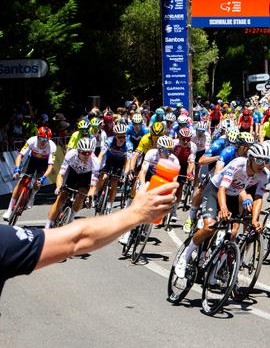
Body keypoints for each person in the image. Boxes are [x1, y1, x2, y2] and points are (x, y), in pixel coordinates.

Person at [0, 181, 177, 297]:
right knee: (62, 195)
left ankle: (74, 213)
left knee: (90, 190)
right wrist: (135, 213)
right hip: (74, 174)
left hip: (86, 177)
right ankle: (48, 223)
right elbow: (77, 238)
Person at [174, 143, 270, 279]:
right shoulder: (238, 164)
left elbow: (259, 198)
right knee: (209, 226)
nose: (263, 164)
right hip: (215, 190)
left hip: (233, 195)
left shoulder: (263, 175)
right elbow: (222, 189)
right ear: (250, 158)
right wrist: (223, 208)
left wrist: (255, 220)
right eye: (260, 160)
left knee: (231, 233)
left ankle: (213, 266)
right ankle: (185, 256)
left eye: (267, 161)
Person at [3, 127, 57, 221]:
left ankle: (32, 196)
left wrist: (43, 178)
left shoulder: (52, 146)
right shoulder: (32, 140)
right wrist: (16, 169)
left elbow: (50, 166)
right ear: (38, 136)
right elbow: (20, 155)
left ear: (49, 139)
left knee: (37, 182)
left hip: (43, 164)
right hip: (32, 161)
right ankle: (9, 210)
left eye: (46, 139)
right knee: (21, 182)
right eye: (41, 138)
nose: (43, 141)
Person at [45, 138, 100, 229]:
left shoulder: (95, 161)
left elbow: (93, 185)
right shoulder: (71, 154)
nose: (86, 155)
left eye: (89, 153)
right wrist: (58, 187)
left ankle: (71, 218)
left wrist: (89, 196)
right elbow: (61, 174)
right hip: (72, 173)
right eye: (83, 153)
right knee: (60, 198)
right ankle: (47, 225)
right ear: (78, 151)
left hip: (86, 176)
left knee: (81, 197)